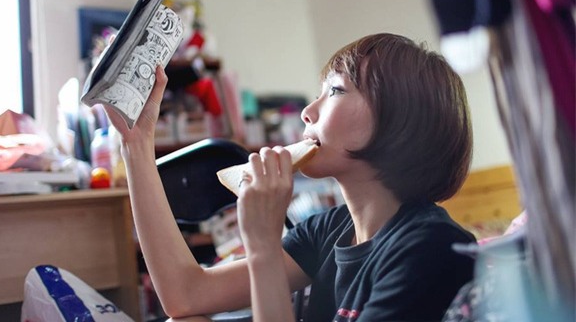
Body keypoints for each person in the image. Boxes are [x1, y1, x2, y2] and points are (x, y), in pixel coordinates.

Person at [104, 33, 476, 322]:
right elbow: (186, 295)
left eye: (336, 90)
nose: (307, 112)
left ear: (399, 122)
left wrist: (263, 245)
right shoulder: (330, 229)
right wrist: (136, 144)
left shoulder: (432, 248)